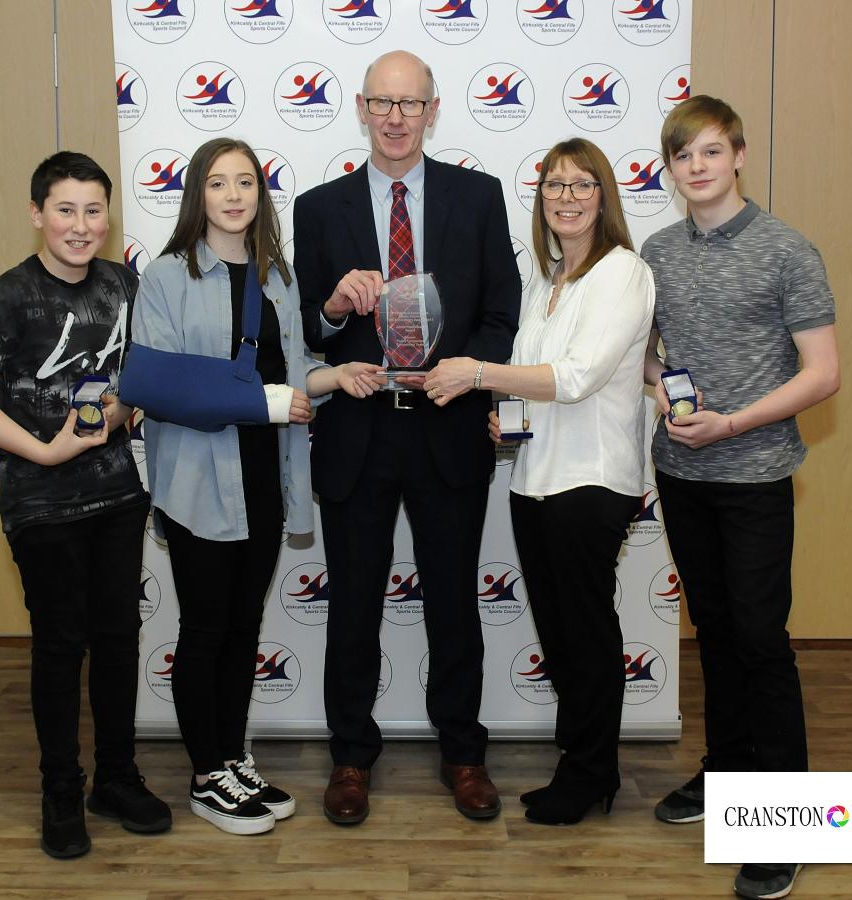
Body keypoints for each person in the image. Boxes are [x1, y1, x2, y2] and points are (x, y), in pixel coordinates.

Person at [292, 50, 521, 825]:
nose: (396, 118)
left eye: (411, 103)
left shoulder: (477, 197)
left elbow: (502, 309)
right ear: (361, 108)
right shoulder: (319, 208)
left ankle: (464, 753)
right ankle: (351, 756)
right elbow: (304, 331)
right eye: (382, 103)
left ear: (432, 110)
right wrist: (333, 308)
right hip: (357, 429)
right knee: (354, 603)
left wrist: (470, 371)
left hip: (447, 426)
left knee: (454, 601)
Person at [129, 138, 382, 836]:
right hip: (197, 481)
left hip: (265, 478)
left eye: (245, 182)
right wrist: (269, 401)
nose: (234, 195)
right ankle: (206, 775)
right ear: (197, 195)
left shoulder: (278, 277)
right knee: (206, 630)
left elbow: (292, 373)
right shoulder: (167, 277)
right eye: (218, 183)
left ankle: (230, 757)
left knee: (243, 629)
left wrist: (336, 378)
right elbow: (160, 387)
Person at [0, 151, 172, 859]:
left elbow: (137, 378)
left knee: (118, 639)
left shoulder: (124, 282)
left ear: (108, 217)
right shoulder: (8, 296)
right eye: (65, 210)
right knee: (60, 643)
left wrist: (123, 408)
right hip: (40, 504)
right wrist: (44, 452)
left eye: (93, 210)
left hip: (117, 495)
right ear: (37, 213)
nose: (80, 225)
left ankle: (117, 779)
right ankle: (61, 790)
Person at [640, 95, 840, 900]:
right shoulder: (657, 251)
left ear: (740, 156)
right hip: (681, 474)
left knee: (760, 642)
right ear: (671, 168)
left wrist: (732, 424)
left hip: (754, 476)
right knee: (715, 634)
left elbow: (823, 374)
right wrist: (662, 388)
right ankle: (724, 773)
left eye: (711, 152)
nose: (697, 167)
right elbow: (647, 356)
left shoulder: (788, 250)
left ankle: (783, 823)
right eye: (683, 155)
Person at [424, 138, 655, 825]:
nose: (567, 197)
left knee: (585, 635)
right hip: (535, 481)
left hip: (592, 483)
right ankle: (578, 763)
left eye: (582, 184)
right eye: (554, 185)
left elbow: (579, 377)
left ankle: (592, 772)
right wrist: (511, 421)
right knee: (560, 635)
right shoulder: (549, 279)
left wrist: (477, 373)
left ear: (604, 197)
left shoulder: (622, 272)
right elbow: (536, 373)